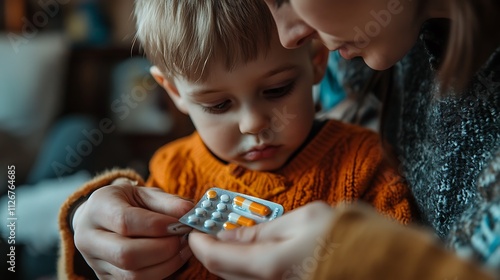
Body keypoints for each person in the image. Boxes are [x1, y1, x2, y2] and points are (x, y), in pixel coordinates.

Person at [57, 0, 416, 279]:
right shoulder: (172, 172)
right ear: (173, 92)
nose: (252, 123)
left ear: (317, 59)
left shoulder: (366, 162)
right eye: (218, 104)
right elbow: (122, 259)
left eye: (277, 90)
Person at [186, 0, 500, 279]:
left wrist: (370, 260)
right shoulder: (351, 44)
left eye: (283, 0)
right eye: (218, 105)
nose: (289, 36)